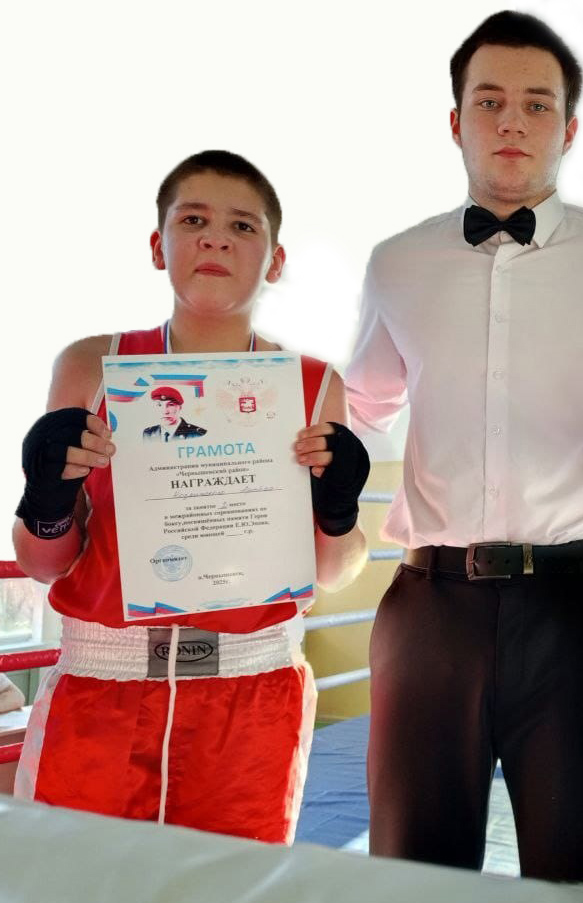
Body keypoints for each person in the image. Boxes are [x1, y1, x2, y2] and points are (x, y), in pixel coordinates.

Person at [345, 10, 583, 888]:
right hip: (429, 610)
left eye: (538, 104)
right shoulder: (395, 262)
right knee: (413, 878)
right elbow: (362, 409)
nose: (512, 121)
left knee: (578, 878)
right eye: (489, 100)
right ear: (454, 120)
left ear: (569, 129)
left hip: (579, 606)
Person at [12, 150, 370, 843]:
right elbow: (43, 563)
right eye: (194, 220)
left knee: (233, 887)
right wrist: (45, 501)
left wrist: (339, 511)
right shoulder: (91, 365)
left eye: (242, 226)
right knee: (75, 885)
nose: (216, 240)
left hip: (253, 696)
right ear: (159, 245)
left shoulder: (315, 384)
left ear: (274, 259)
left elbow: (333, 569)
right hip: (101, 685)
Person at [141, 386, 206, 441]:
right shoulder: (148, 433)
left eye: (171, 405)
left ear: (180, 407)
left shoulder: (197, 434)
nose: (165, 412)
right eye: (159, 405)